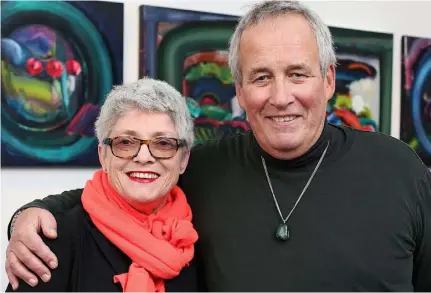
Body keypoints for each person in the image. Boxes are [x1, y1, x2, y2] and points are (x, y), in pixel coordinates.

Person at [5, 0, 431, 291]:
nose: (281, 96)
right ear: (241, 91)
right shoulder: (203, 169)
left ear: (329, 81)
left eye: (297, 74)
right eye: (261, 77)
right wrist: (28, 214)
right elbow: (116, 189)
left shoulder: (401, 170)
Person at [5, 78, 201, 292]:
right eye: (126, 142)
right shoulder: (53, 238)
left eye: (163, 143)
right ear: (103, 156)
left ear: (183, 160)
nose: (143, 157)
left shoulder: (202, 236)